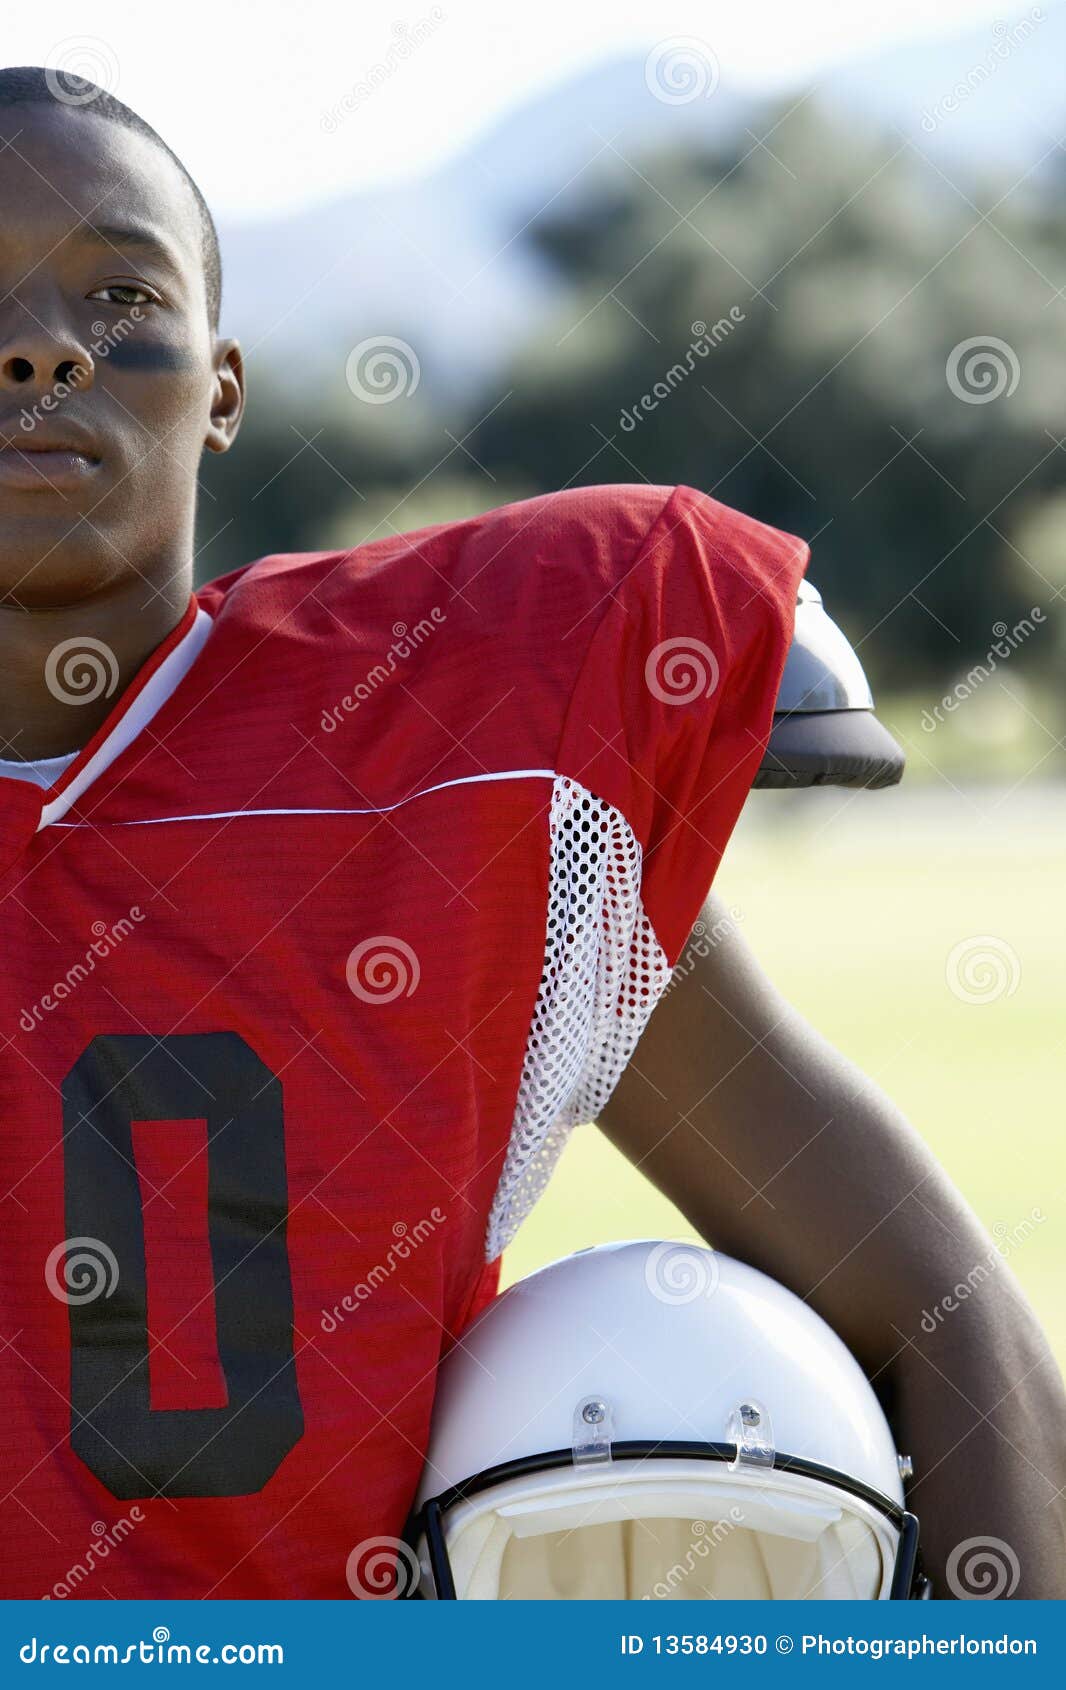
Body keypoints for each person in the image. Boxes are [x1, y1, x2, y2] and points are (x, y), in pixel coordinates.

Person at [0, 67, 1061, 1601]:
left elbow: (946, 1312)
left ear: (221, 389)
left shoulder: (468, 787)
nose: (43, 344)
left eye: (118, 290)